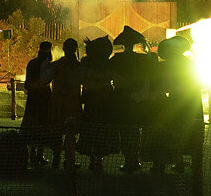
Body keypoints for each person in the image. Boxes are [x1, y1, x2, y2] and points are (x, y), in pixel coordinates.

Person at [156, 35, 203, 173]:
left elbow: (165, 84)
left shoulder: (170, 65)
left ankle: (179, 162)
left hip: (177, 102)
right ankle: (195, 162)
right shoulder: (190, 63)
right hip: (192, 101)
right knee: (191, 131)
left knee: (175, 131)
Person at [109, 25, 150, 172]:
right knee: (136, 130)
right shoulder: (143, 60)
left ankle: (129, 159)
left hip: (121, 100)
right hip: (138, 100)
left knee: (125, 131)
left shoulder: (116, 59)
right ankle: (134, 159)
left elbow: (111, 76)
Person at [77, 36, 117, 171]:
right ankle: (97, 159)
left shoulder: (88, 62)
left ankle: (95, 158)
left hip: (94, 99)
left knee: (94, 129)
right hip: (102, 99)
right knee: (99, 129)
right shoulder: (104, 63)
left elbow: (82, 79)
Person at [43, 38, 84, 169]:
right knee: (70, 133)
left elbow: (45, 79)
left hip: (58, 103)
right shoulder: (79, 66)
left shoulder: (57, 65)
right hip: (72, 103)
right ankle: (69, 160)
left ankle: (56, 158)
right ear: (75, 49)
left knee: (57, 132)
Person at [21, 41, 53, 165]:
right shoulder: (47, 65)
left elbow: (27, 82)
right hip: (43, 98)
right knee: (42, 124)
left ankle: (31, 154)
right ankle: (39, 154)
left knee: (31, 124)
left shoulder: (31, 63)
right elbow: (46, 81)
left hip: (32, 98)